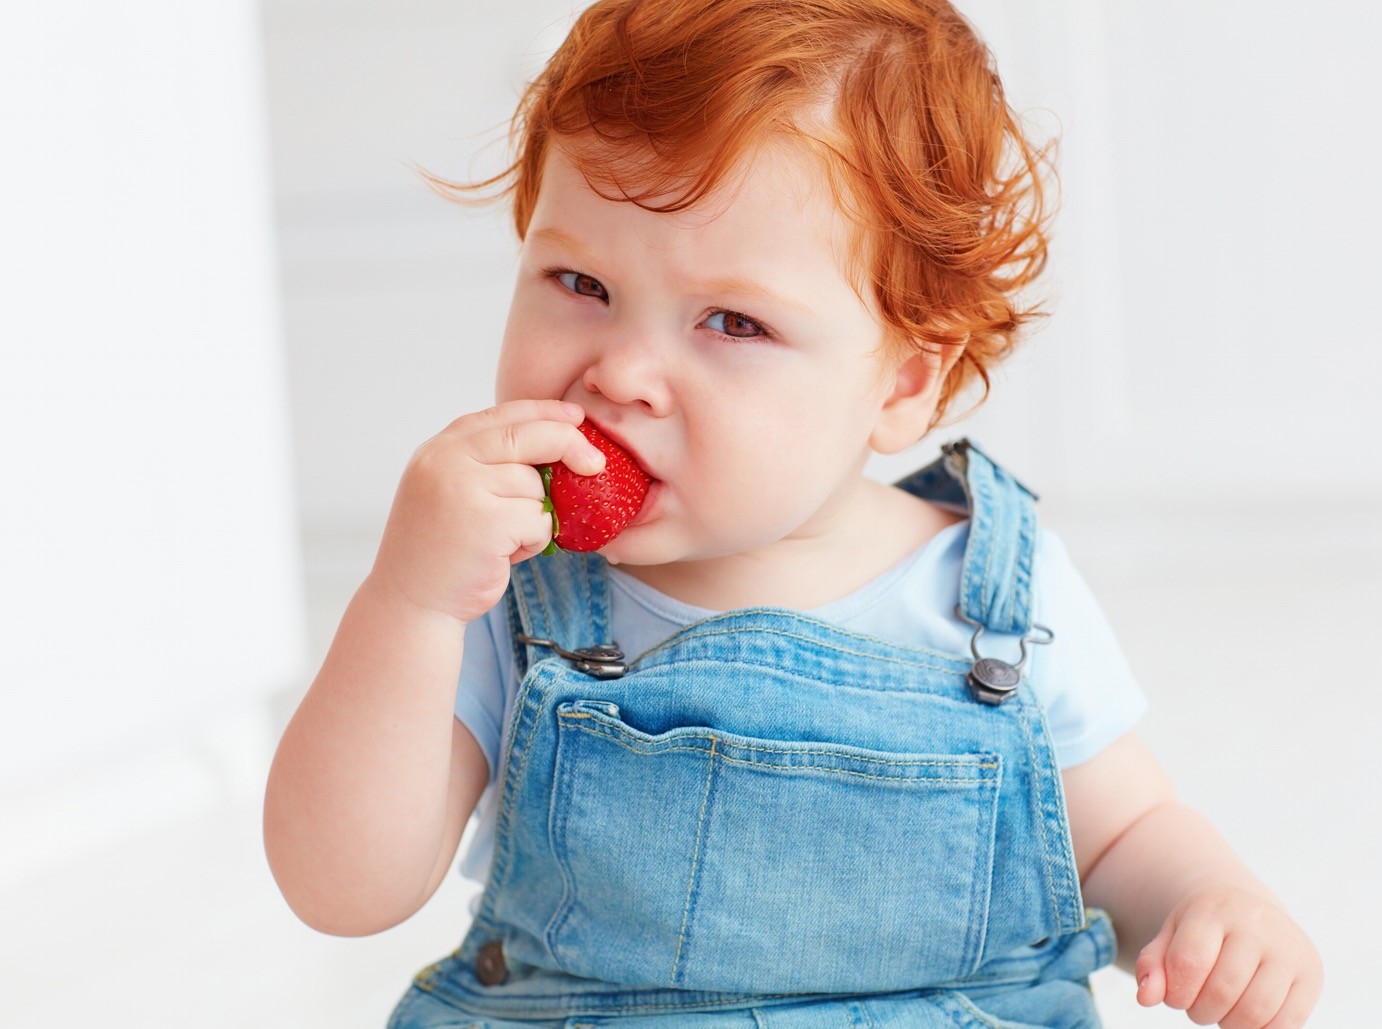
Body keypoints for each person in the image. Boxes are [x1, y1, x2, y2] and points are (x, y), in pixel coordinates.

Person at [263, 1, 1323, 1025]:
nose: (622, 371)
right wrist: (406, 603)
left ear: (903, 382)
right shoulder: (506, 588)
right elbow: (341, 887)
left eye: (730, 321)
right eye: (578, 280)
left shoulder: (988, 590)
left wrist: (1206, 907)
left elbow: (1118, 832)